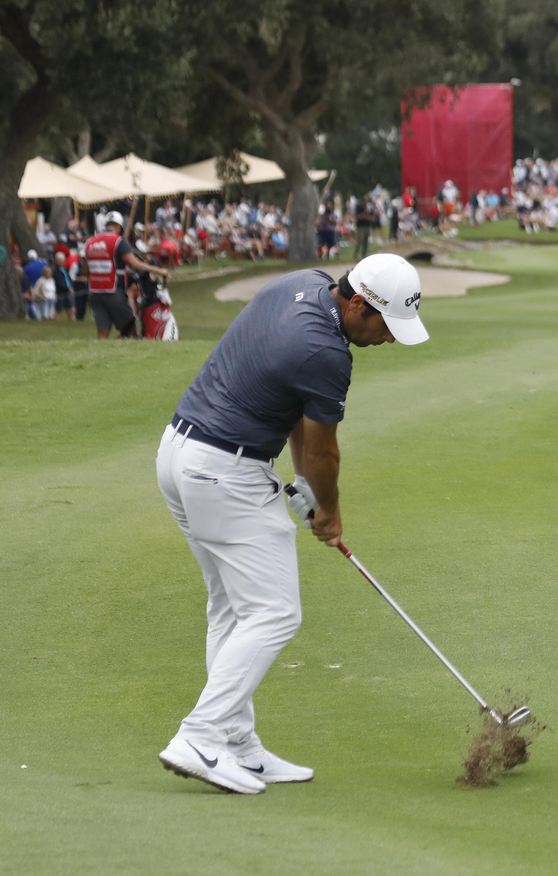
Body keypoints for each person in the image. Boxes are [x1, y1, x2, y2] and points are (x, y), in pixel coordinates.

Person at [154, 253, 428, 794]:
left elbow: (301, 421)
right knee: (274, 612)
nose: (390, 339)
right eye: (387, 325)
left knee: (232, 608)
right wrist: (329, 510)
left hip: (179, 454)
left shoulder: (304, 283)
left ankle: (237, 744)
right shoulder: (327, 354)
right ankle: (199, 735)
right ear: (358, 304)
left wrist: (304, 488)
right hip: (224, 471)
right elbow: (324, 453)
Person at [84, 210, 168, 339]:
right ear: (119, 226)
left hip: (94, 293)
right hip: (113, 293)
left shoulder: (90, 242)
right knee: (129, 329)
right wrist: (159, 270)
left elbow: (85, 271)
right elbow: (133, 264)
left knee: (102, 332)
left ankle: (101, 351)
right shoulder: (119, 242)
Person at [21, 249, 46, 319]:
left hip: (33, 286)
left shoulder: (27, 267)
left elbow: (26, 278)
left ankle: (36, 317)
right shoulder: (43, 263)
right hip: (43, 285)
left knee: (34, 304)